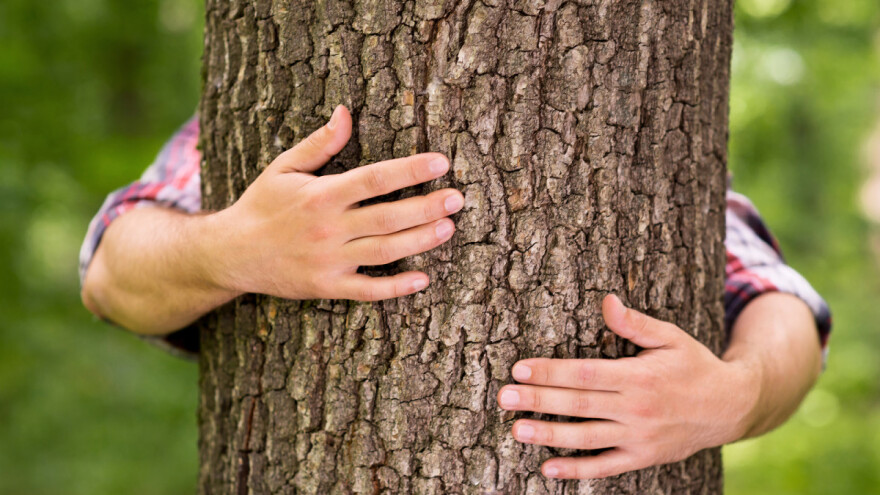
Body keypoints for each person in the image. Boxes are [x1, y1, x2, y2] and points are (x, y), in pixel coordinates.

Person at [80, 105, 831, 480]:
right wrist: (234, 247)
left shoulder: (647, 118)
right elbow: (112, 270)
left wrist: (735, 395)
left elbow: (778, 299)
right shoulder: (273, 108)